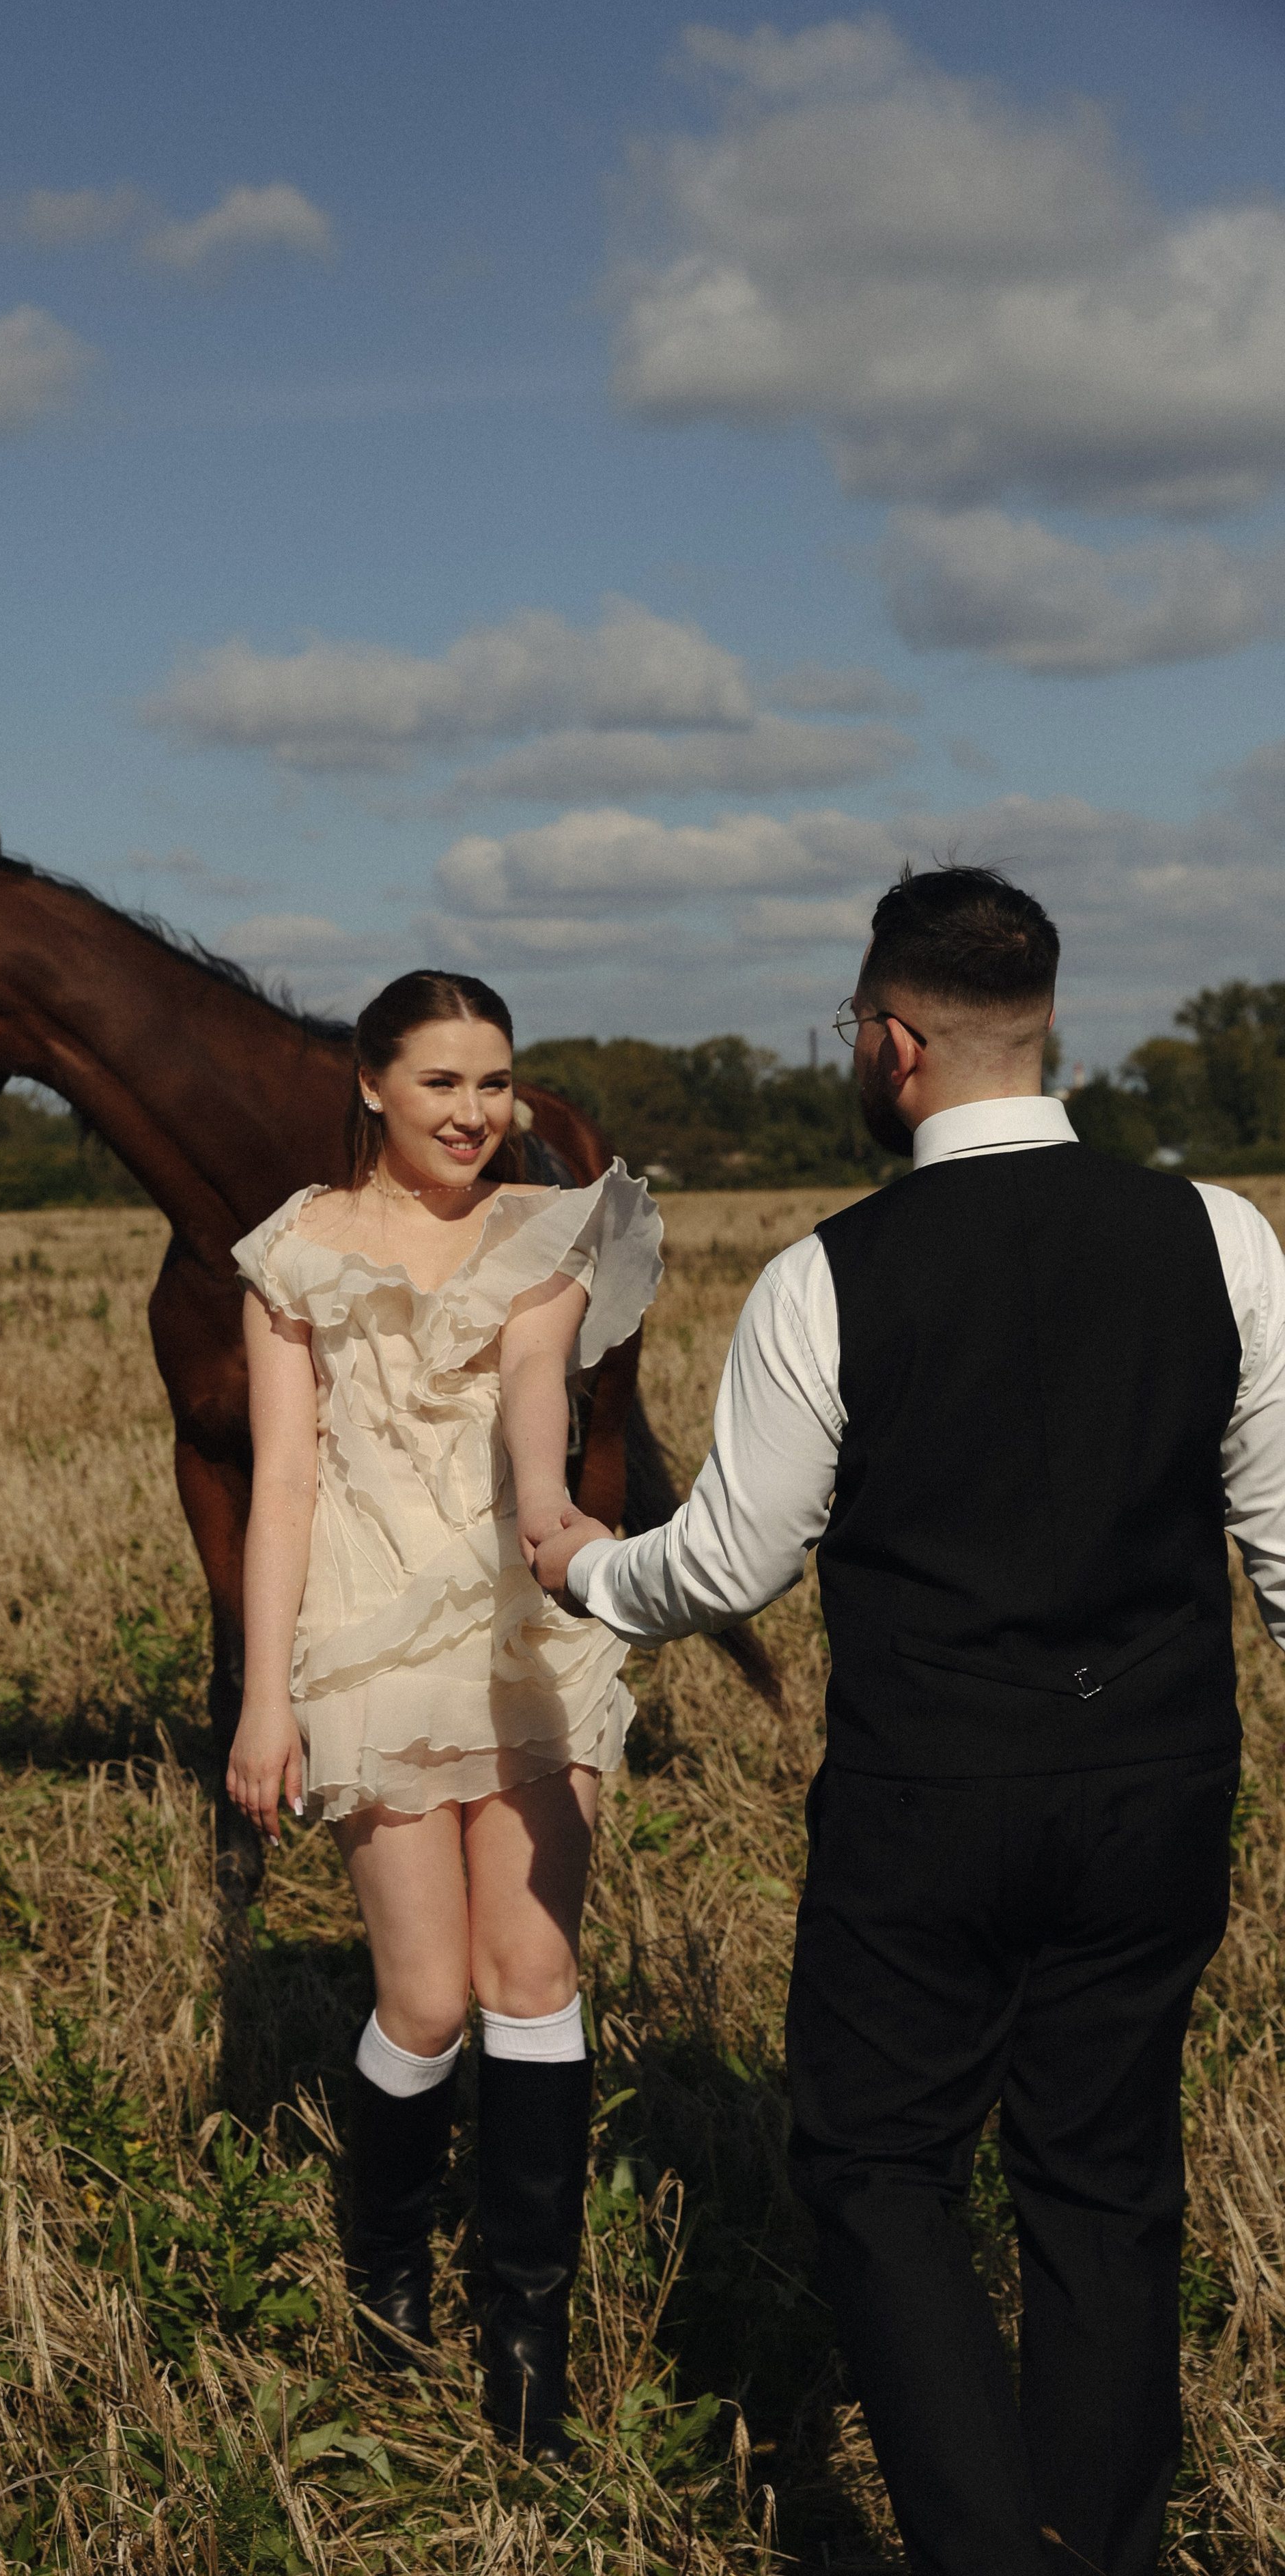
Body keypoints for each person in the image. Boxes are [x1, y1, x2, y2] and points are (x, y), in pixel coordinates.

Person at [532, 866, 1285, 2576]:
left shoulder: (824, 1277)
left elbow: (731, 1564)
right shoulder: (1221, 1237)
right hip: (1158, 1783)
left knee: (876, 2168)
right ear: (1042, 1030)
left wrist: (584, 1571)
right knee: (1103, 2181)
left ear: (891, 1042)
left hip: (928, 1794)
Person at [226, 967, 663, 2459]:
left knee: (528, 1973)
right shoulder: (292, 1253)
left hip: (514, 1620)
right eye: (441, 1081)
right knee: (423, 1997)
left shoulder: (545, 1229)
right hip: (364, 1633)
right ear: (371, 1084)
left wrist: (546, 1510)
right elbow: (284, 1484)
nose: (475, 1111)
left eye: (495, 1081)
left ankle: (528, 2341)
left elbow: (538, 1379)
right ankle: (387, 2278)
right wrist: (265, 1700)